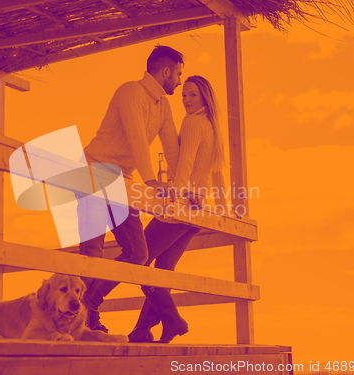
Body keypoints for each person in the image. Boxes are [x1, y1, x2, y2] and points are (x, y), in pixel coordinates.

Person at [77, 45, 184, 332]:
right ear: (165, 71)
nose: (179, 81)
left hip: (122, 182)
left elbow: (172, 149)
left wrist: (179, 187)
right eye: (178, 75)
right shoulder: (130, 92)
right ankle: (81, 319)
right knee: (92, 252)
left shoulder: (163, 106)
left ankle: (89, 304)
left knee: (138, 253)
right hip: (93, 172)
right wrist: (150, 182)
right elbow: (137, 139)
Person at [128, 75, 226, 343]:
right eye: (184, 95)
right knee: (163, 269)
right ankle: (142, 329)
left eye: (192, 95)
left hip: (183, 208)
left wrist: (175, 198)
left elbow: (185, 163)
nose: (186, 100)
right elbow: (217, 173)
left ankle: (173, 319)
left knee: (140, 260)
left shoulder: (193, 122)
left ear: (205, 96)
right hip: (198, 212)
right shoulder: (212, 125)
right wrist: (222, 209)